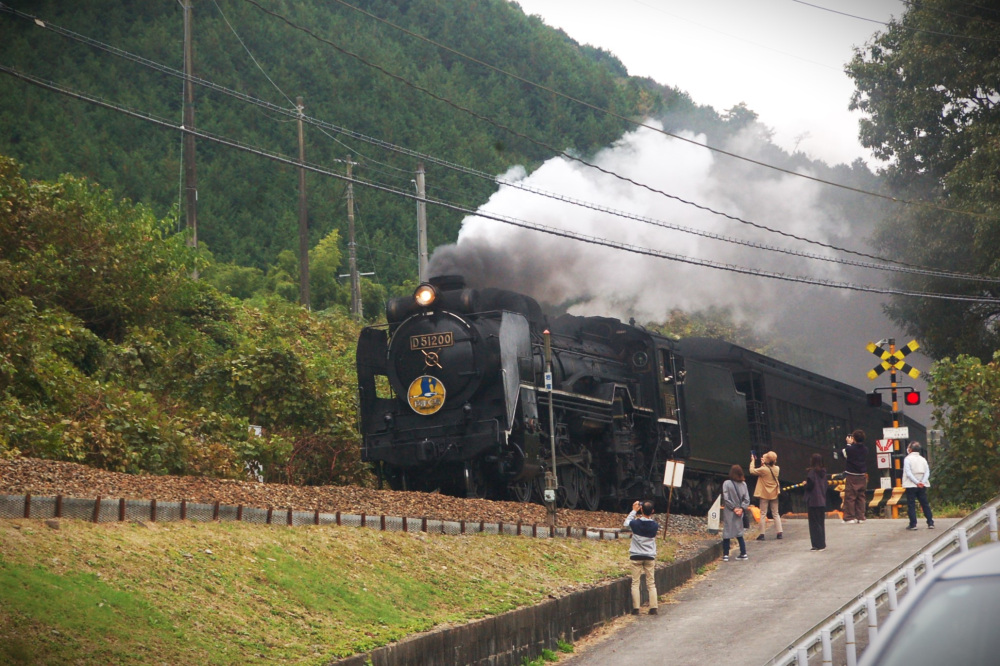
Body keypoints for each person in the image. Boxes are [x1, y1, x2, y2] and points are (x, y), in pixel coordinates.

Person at [624, 500, 659, 614]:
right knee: (651, 583)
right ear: (653, 511)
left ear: (641, 510)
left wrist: (634, 510)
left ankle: (636, 609)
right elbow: (649, 521)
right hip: (649, 557)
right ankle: (653, 607)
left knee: (635, 582)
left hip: (636, 556)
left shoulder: (635, 524)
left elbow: (626, 523)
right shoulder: (654, 526)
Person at [749, 451, 782, 540]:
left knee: (763, 513)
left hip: (764, 494)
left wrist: (752, 461)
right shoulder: (777, 469)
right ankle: (779, 532)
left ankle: (762, 534)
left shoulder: (763, 469)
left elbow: (752, 471)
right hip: (774, 493)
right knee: (776, 513)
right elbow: (769, 469)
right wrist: (764, 464)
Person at [902, 442, 935, 530]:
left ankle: (913, 524)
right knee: (925, 504)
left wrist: (916, 482)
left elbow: (908, 473)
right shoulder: (923, 459)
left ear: (910, 449)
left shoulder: (907, 459)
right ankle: (930, 522)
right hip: (922, 485)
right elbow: (927, 472)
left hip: (910, 485)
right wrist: (922, 482)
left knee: (911, 504)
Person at [721, 464, 750, 561]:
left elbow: (726, 498)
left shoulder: (726, 483)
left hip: (729, 511)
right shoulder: (744, 484)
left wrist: (733, 508)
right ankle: (743, 553)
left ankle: (725, 554)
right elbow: (747, 499)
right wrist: (741, 508)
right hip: (739, 511)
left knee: (727, 530)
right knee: (739, 532)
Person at [841, 429, 868, 524]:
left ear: (854, 438)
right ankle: (861, 517)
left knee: (850, 496)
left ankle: (849, 517)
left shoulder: (850, 448)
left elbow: (845, 453)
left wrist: (849, 443)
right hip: (862, 475)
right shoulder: (865, 449)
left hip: (852, 475)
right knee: (861, 496)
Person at [805, 453, 828, 551]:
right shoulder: (823, 473)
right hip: (822, 500)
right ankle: (822, 544)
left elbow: (809, 486)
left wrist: (804, 484)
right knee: (821, 523)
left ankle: (816, 544)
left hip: (813, 501)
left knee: (814, 524)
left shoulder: (811, 473)